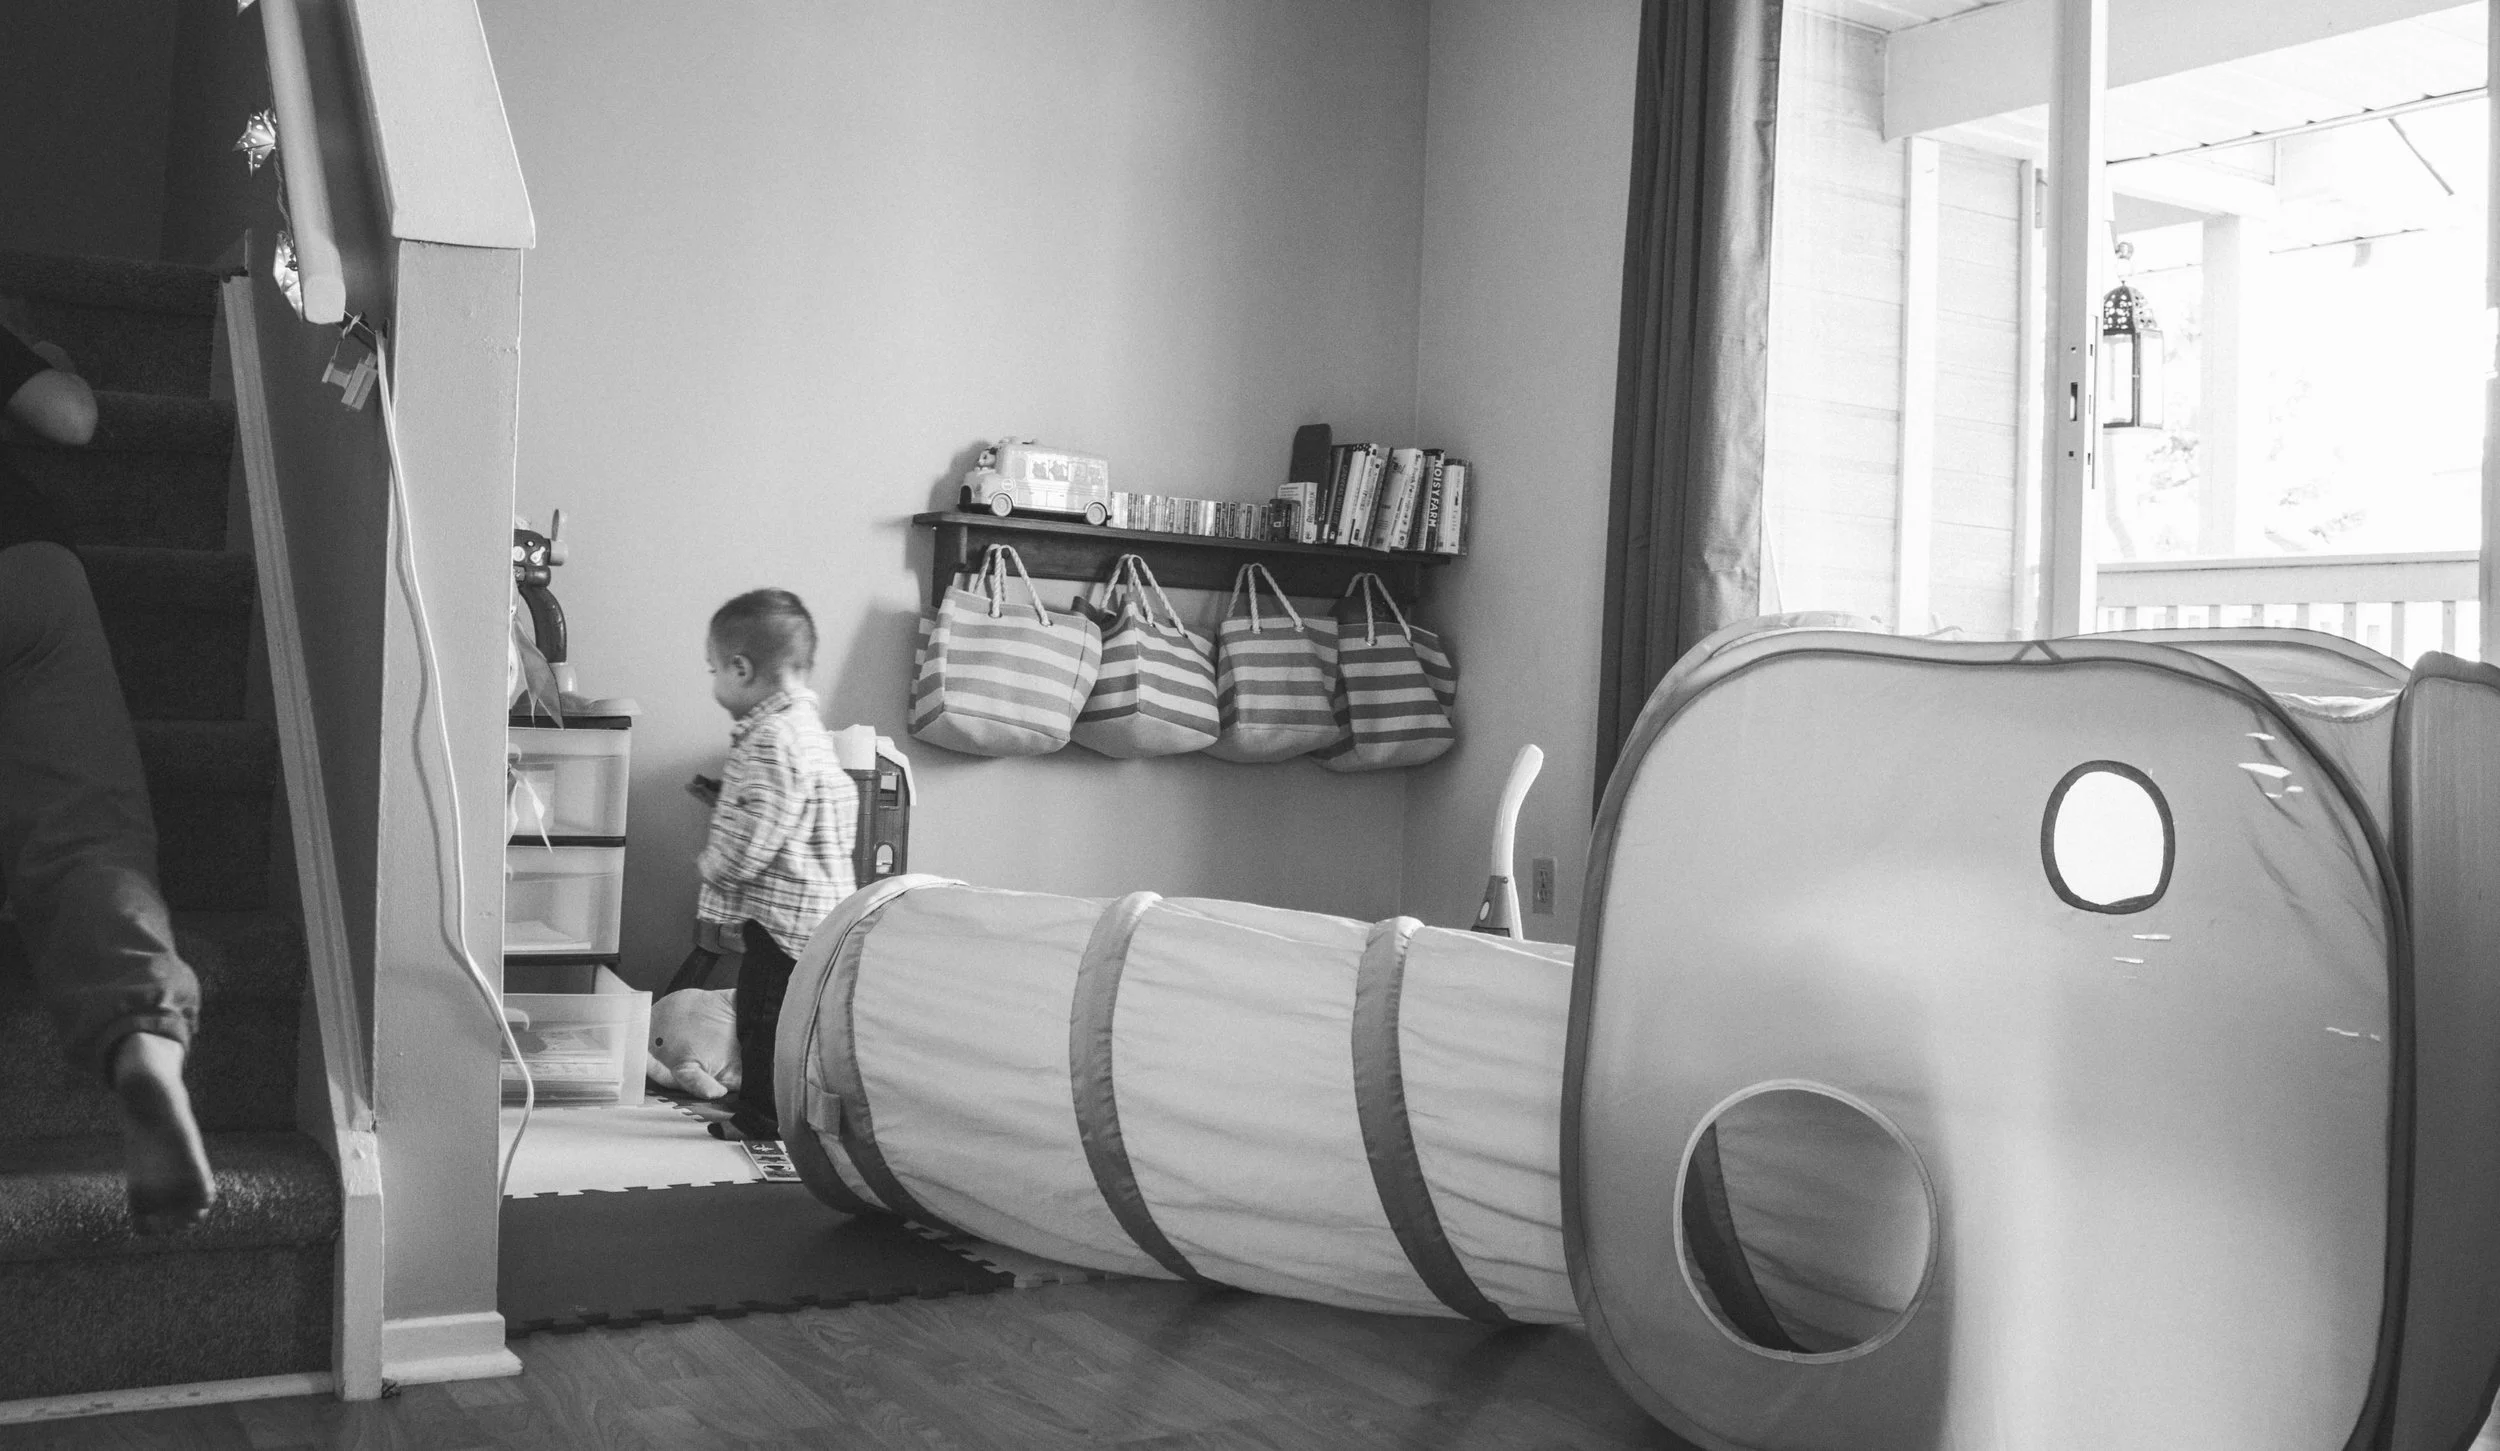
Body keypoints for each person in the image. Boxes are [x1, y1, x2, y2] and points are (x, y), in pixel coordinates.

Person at [0, 307, 216, 1234]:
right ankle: (142, 1038)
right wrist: (47, 356)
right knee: (90, 831)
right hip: (27, 572)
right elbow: (71, 415)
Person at [691, 588, 856, 1139]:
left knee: (764, 1018)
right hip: (812, 911)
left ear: (740, 669)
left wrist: (717, 863)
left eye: (714, 669)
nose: (714, 680)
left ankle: (764, 1116)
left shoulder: (771, 739)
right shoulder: (807, 733)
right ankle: (783, 1105)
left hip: (785, 922)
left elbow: (759, 833)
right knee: (787, 1017)